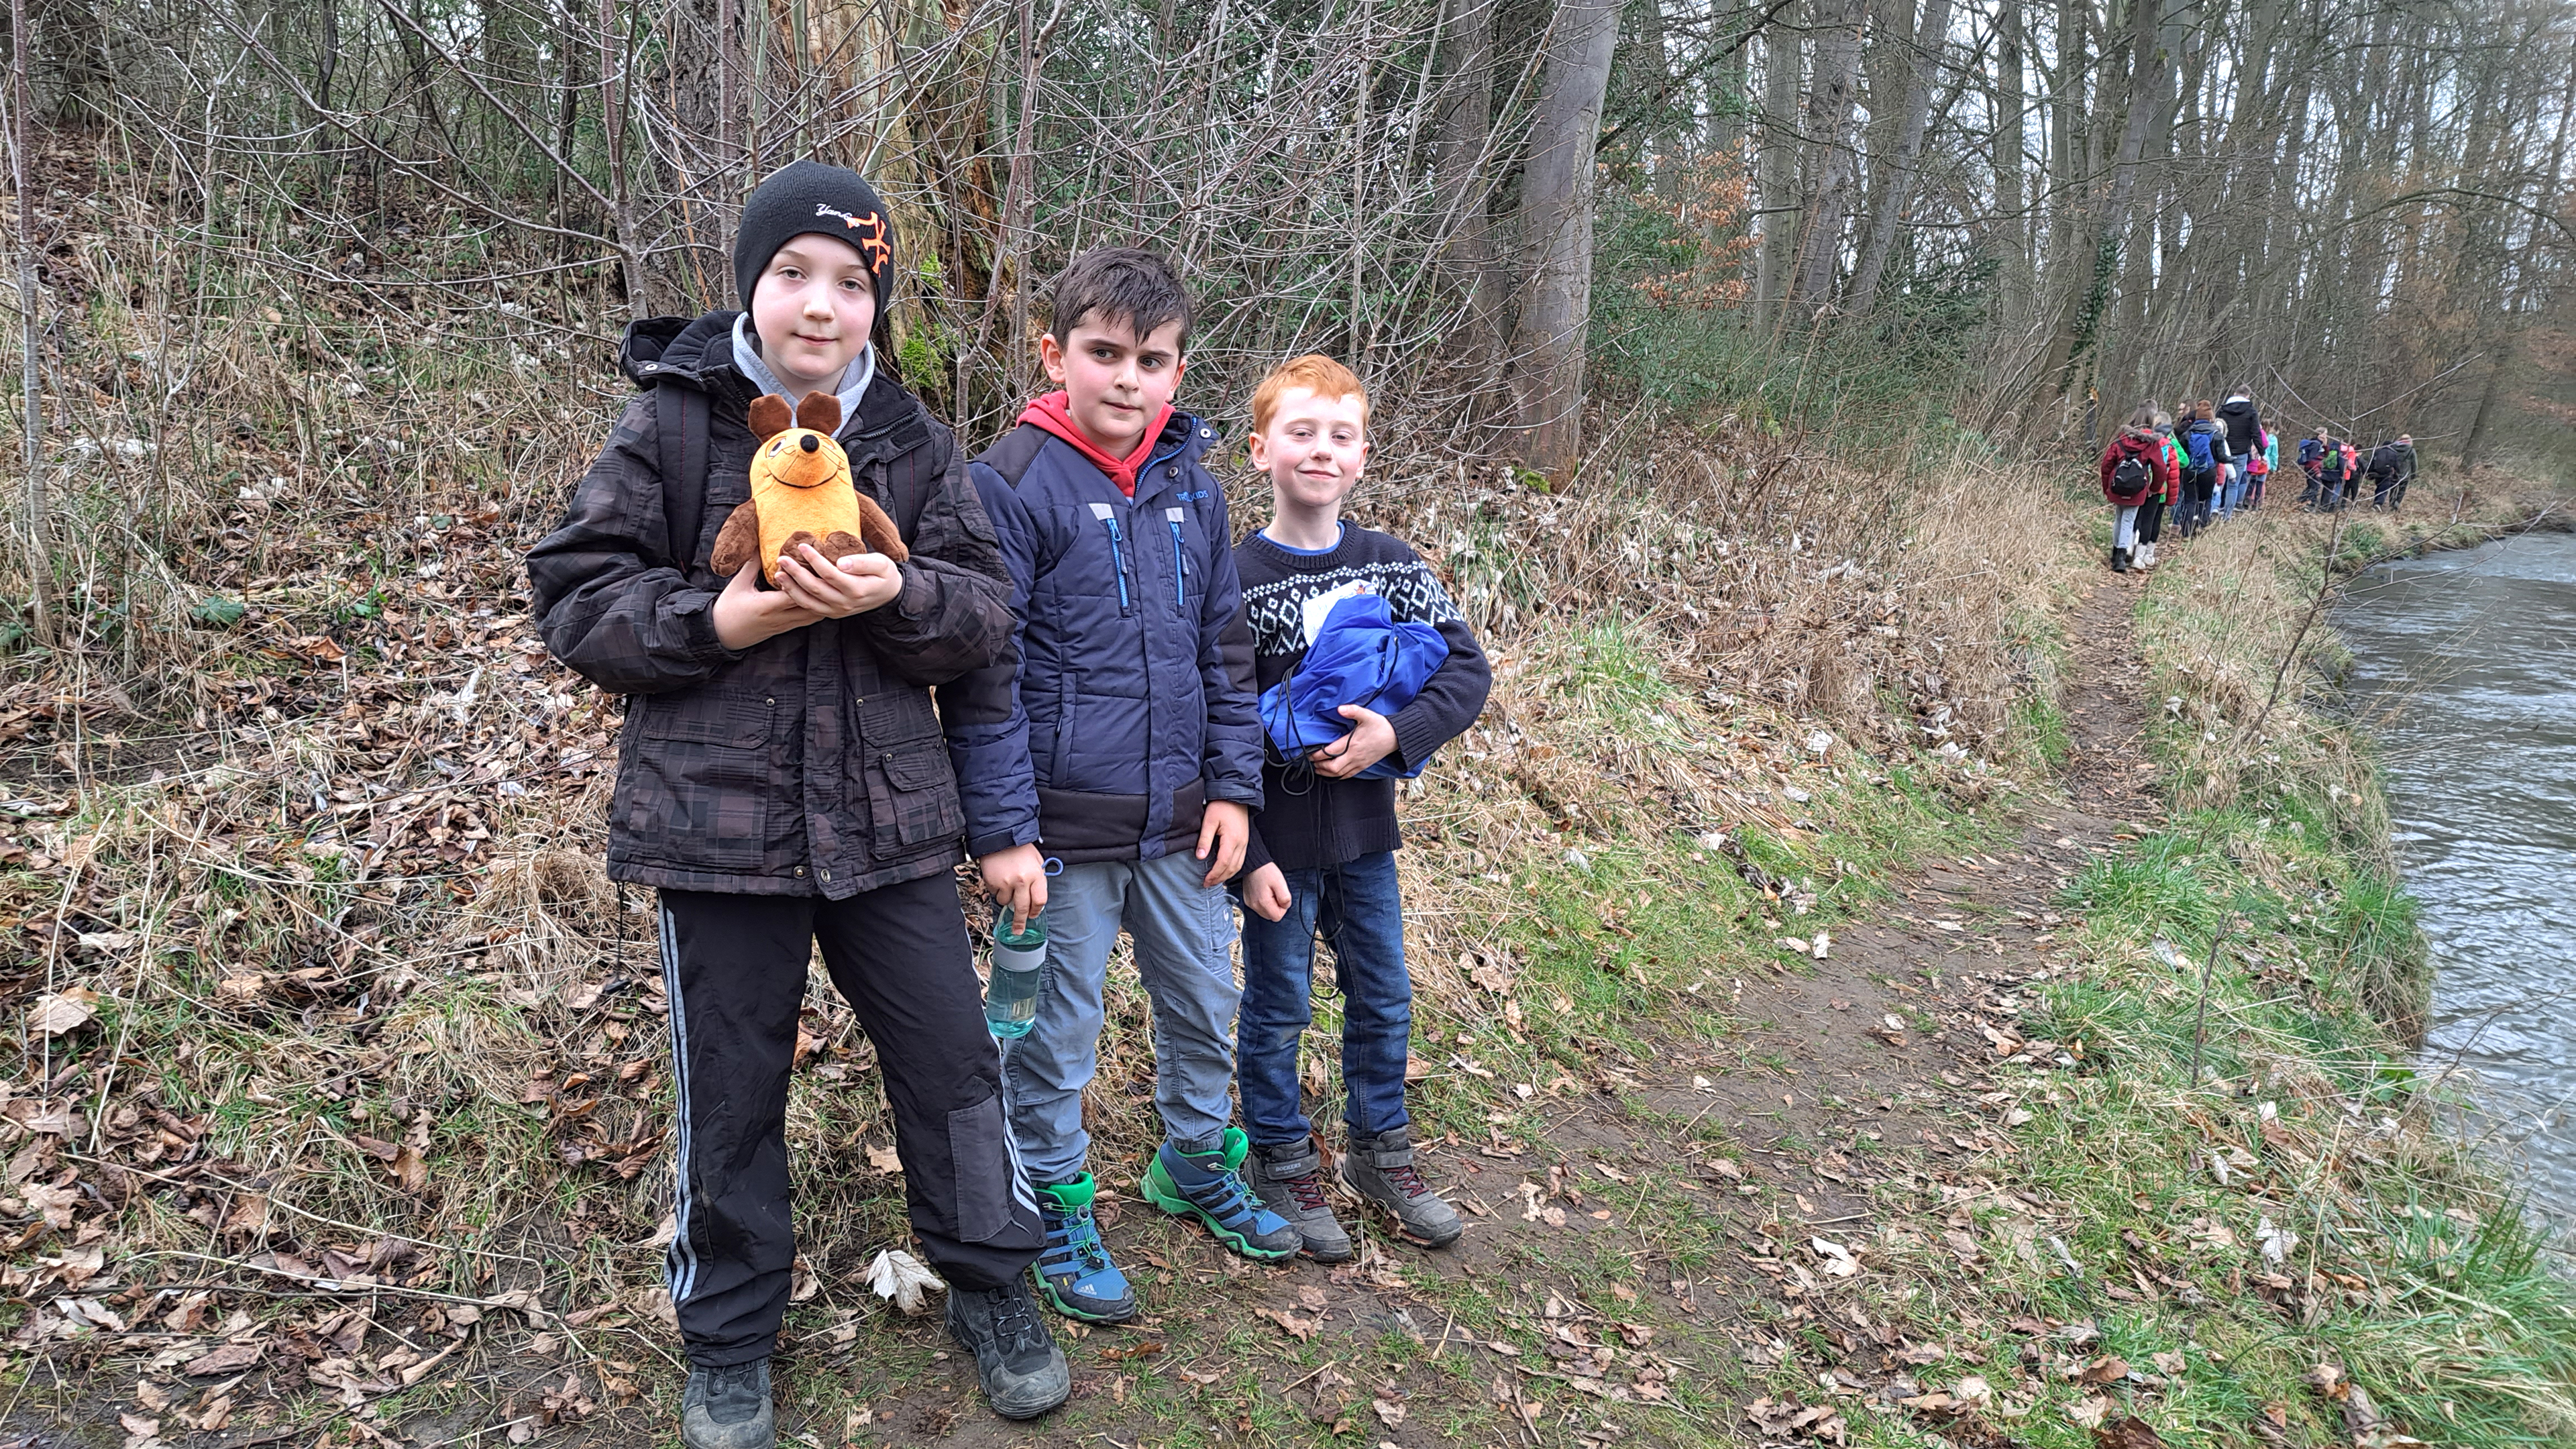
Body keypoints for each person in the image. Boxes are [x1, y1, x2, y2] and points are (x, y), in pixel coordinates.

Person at [525, 162, 1067, 1444]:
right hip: (716, 831)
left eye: (851, 282)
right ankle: (727, 1336)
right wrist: (715, 617)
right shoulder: (673, 423)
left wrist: (903, 597)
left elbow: (987, 617)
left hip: (890, 829)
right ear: (750, 287)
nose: (820, 305)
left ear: (877, 300)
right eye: (792, 275)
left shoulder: (915, 442)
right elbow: (573, 594)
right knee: (731, 1088)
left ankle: (991, 1282)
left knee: (952, 1068)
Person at [947, 248, 1295, 1328]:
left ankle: (1193, 1161)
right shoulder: (1010, 481)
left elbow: (1224, 654)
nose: (1127, 379)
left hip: (1186, 822)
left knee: (1206, 1001)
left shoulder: (1196, 484)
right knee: (1052, 1029)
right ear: (1056, 357)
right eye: (1103, 354)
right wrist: (1002, 831)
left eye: (1152, 359)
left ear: (1179, 371)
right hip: (1062, 832)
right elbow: (983, 677)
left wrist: (1235, 793)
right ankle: (1052, 1198)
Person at [1225, 355, 1493, 1260]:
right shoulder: (1235, 575)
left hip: (1368, 838)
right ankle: (1278, 1155)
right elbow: (1213, 719)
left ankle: (1382, 1150)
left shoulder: (1389, 564)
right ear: (1261, 451)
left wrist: (1394, 733)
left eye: (1340, 435)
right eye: (1301, 432)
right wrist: (1250, 846)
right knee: (1278, 1003)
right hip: (1278, 845)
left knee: (1384, 996)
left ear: (1363, 455)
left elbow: (1466, 670)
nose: (1321, 450)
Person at [2098, 404, 2174, 573]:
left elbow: (2106, 464)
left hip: (2118, 485)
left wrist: (2107, 487)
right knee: (2129, 520)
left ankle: (2116, 552)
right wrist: (2154, 488)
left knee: (2119, 517)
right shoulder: (2151, 443)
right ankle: (2121, 558)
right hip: (2138, 488)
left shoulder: (2121, 439)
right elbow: (2160, 469)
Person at [2179, 400, 2229, 537]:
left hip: (2190, 471)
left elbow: (2182, 453)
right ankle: (2201, 528)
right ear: (2211, 418)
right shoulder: (2216, 435)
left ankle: (2186, 532)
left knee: (2189, 501)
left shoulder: (2188, 433)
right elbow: (2222, 457)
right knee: (2205, 500)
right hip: (2209, 472)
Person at [2216, 390, 2263, 519]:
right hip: (2241, 452)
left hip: (2222, 450)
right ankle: (2227, 516)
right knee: (2234, 484)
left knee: (2219, 482)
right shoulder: (2251, 411)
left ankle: (2214, 510)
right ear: (2248, 396)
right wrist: (2262, 452)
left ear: (2235, 393)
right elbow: (2256, 433)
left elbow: (2216, 428)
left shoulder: (2222, 410)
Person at [2297, 429, 2326, 506]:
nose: (2324, 436)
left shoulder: (2318, 444)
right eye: (2323, 434)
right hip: (2312, 468)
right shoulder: (2316, 445)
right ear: (2318, 434)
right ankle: (2311, 504)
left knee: (2311, 486)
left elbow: (2326, 455)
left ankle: (2301, 500)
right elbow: (2313, 459)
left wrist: (2326, 445)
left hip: (2311, 468)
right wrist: (2317, 472)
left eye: (2326, 435)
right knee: (2315, 487)